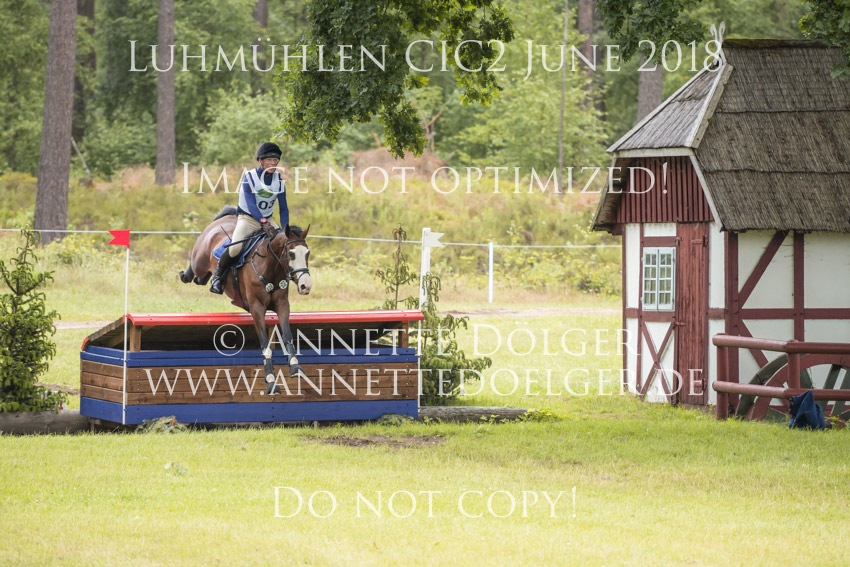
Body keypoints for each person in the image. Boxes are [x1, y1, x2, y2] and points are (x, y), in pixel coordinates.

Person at [209, 142, 289, 294]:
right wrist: (262, 221)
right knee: (235, 248)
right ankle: (218, 277)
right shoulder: (249, 178)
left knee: (284, 245)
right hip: (248, 219)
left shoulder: (278, 181)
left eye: (275, 160)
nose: (273, 163)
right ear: (260, 161)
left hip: (268, 219)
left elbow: (284, 208)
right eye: (269, 160)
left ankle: (286, 277)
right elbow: (252, 205)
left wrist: (285, 229)